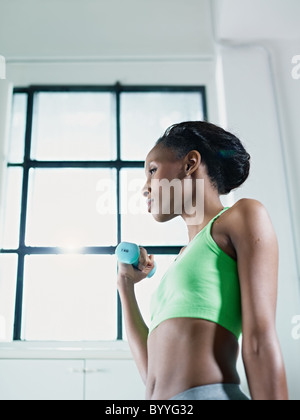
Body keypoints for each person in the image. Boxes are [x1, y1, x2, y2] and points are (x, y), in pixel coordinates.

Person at [117, 121, 288, 400]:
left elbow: (259, 341)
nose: (144, 189)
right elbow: (152, 376)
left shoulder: (242, 216)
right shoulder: (181, 261)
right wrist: (125, 286)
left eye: (152, 170)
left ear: (190, 163)